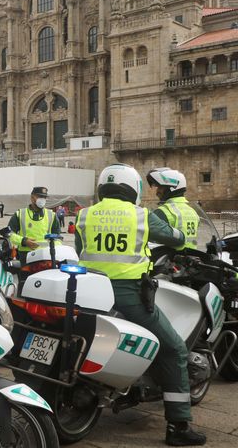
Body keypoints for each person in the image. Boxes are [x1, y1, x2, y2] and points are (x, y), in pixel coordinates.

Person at [75, 164, 205, 446]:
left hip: (89, 293)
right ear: (132, 188)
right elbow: (177, 238)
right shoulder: (142, 216)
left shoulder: (84, 215)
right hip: (128, 295)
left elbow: (79, 250)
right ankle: (178, 426)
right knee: (173, 349)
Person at [147, 168, 199, 251]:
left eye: (160, 187)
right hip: (192, 258)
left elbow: (150, 238)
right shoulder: (192, 211)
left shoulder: (163, 211)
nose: (157, 192)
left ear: (171, 188)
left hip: (170, 259)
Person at [7, 186, 59, 263]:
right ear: (32, 198)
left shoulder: (52, 215)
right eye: (40, 196)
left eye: (44, 197)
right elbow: (9, 234)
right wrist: (23, 241)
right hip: (26, 256)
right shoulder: (20, 214)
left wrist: (54, 249)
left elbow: (58, 238)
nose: (43, 199)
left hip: (46, 257)